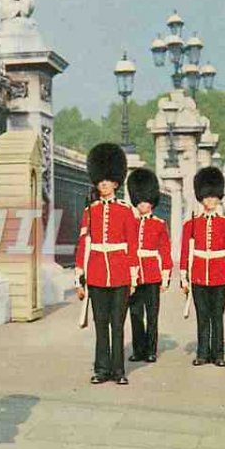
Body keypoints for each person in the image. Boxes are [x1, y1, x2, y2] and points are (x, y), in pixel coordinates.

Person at [75, 143, 139, 385]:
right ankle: (102, 368)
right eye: (99, 180)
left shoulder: (126, 211)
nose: (103, 184)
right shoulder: (90, 212)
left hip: (121, 273)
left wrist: (133, 277)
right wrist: (80, 277)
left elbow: (132, 245)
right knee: (100, 324)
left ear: (116, 182)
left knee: (118, 324)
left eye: (107, 180)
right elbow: (84, 244)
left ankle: (118, 370)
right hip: (97, 274)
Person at [180, 167, 225, 368]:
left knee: (217, 317)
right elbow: (185, 252)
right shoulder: (191, 225)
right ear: (201, 198)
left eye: (213, 197)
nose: (210, 200)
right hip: (198, 276)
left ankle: (218, 354)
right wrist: (184, 277)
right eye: (206, 197)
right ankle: (203, 353)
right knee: (202, 316)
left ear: (218, 198)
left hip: (220, 275)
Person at [126, 168, 172, 363]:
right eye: (139, 201)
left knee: (152, 315)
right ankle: (138, 349)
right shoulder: (130, 223)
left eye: (145, 201)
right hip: (134, 275)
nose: (141, 204)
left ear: (151, 202)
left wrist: (166, 276)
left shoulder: (159, 224)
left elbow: (165, 251)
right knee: (135, 314)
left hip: (153, 274)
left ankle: (151, 350)